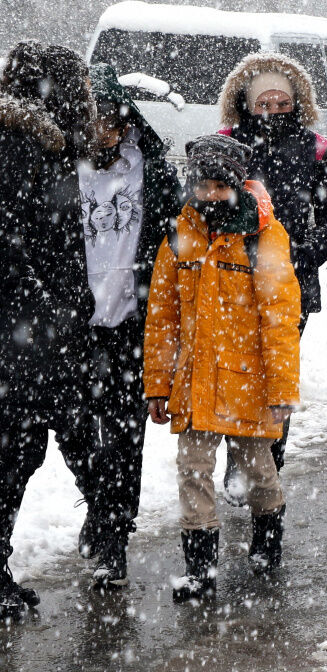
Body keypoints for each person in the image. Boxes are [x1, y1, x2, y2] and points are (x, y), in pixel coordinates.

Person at [144, 135, 301, 602]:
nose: (210, 194)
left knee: (259, 471)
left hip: (247, 383)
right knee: (192, 471)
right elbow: (162, 316)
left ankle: (267, 541)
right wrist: (158, 384)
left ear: (235, 184)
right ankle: (199, 570)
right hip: (194, 384)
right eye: (203, 184)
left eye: (219, 185)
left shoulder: (264, 236)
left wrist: (281, 392)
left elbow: (280, 319)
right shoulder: (180, 233)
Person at [216, 53, 327, 492]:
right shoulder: (225, 144)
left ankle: (270, 459)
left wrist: (303, 255)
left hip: (290, 284)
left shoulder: (314, 148)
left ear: (297, 102)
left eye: (282, 103)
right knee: (237, 371)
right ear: (247, 103)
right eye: (263, 103)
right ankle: (239, 459)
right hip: (232, 279)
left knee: (276, 371)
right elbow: (200, 207)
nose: (273, 111)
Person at [74, 64, 183, 589]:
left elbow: (174, 242)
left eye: (116, 124)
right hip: (70, 327)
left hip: (130, 325)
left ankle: (114, 538)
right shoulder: (56, 170)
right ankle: (99, 503)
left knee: (123, 434)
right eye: (97, 124)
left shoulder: (152, 169)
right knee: (72, 432)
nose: (107, 134)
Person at [0, 42, 97, 621]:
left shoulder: (42, 145)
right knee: (16, 451)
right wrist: (48, 309)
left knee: (24, 448)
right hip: (25, 334)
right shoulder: (20, 146)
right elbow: (11, 242)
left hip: (36, 330)